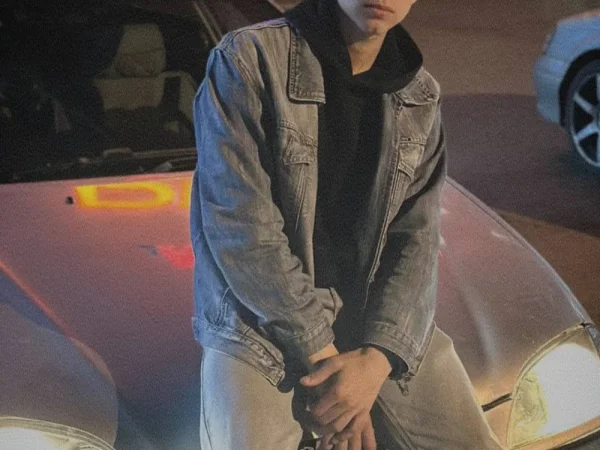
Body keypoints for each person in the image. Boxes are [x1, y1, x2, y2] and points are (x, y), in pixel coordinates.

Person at [190, 0, 505, 449]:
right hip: (256, 321)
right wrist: (332, 374)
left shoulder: (420, 96)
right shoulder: (249, 59)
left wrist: (376, 363)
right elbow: (243, 232)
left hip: (371, 315)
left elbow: (416, 242)